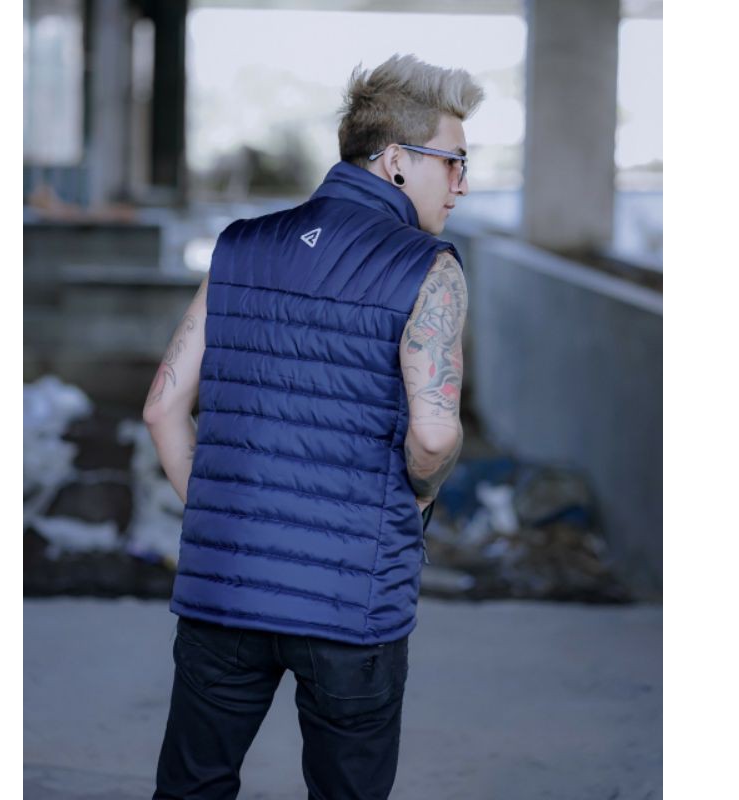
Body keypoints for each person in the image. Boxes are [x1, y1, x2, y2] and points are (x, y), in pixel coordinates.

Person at [143, 53, 483, 800]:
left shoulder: (242, 245)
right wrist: (420, 498)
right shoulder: (428, 268)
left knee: (192, 786)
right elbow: (432, 435)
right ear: (395, 160)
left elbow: (163, 408)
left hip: (224, 592)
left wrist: (225, 516)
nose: (463, 183)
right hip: (352, 600)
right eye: (454, 161)